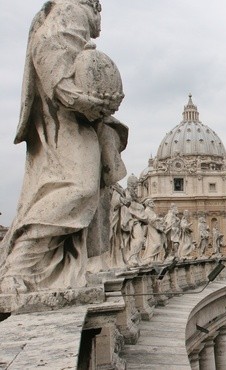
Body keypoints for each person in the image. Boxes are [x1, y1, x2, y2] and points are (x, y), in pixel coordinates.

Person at [0, 0, 127, 293]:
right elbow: (48, 50)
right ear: (94, 7)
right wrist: (84, 99)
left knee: (83, 189)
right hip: (66, 119)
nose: (100, 23)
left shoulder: (71, 15)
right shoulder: (73, 11)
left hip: (73, 118)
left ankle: (54, 265)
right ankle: (21, 264)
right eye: (101, 12)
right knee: (79, 188)